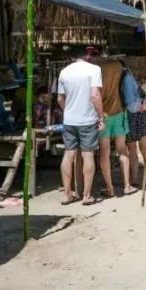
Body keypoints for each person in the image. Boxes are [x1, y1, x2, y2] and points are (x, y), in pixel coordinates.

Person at [57, 51, 104, 205]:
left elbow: (59, 98)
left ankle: (67, 194)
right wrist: (101, 116)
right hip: (88, 120)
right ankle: (87, 195)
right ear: (88, 56)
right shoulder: (94, 70)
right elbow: (95, 95)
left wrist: (68, 111)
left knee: (68, 155)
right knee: (88, 155)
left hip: (70, 120)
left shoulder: (64, 72)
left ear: (72, 57)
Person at [95, 55, 136, 197]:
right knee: (122, 148)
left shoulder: (95, 69)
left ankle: (110, 188)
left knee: (105, 152)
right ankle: (127, 185)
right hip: (119, 112)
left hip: (103, 115)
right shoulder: (117, 66)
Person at [125, 80, 146, 189]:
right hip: (134, 119)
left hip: (138, 118)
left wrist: (145, 105)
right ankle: (138, 178)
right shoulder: (130, 85)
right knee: (136, 150)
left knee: (140, 149)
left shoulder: (135, 86)